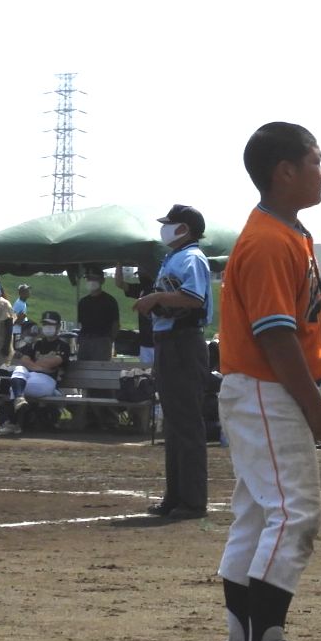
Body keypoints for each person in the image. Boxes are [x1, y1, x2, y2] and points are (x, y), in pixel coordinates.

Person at [214, 121, 321, 641]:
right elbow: (275, 335)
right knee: (293, 514)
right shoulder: (268, 240)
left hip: (261, 390)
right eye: (315, 161)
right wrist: (314, 407)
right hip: (268, 389)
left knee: (258, 515)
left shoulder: (287, 233)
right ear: (285, 172)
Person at [133, 204, 212, 520]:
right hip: (170, 341)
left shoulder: (191, 257)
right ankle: (175, 496)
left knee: (186, 422)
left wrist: (156, 298)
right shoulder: (176, 257)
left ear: (184, 228)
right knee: (175, 423)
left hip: (183, 341)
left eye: (171, 224)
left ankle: (192, 501)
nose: (165, 229)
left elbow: (194, 298)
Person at [0, 310, 69, 436]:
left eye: (51, 324)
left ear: (58, 326)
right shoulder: (37, 344)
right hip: (31, 376)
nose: (47, 327)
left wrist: (35, 365)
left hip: (47, 382)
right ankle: (18, 404)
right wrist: (39, 366)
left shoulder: (63, 346)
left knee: (13, 386)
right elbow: (24, 360)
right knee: (19, 369)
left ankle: (12, 422)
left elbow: (53, 362)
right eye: (45, 324)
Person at [116, 266, 158, 366]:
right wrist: (119, 263)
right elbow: (119, 283)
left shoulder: (161, 287)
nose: (140, 276)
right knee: (145, 372)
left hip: (160, 341)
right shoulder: (141, 289)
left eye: (141, 273)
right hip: (145, 342)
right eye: (139, 274)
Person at [76, 270, 120, 361]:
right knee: (82, 366)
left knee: (100, 367)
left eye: (94, 278)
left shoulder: (110, 301)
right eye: (89, 279)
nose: (91, 281)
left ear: (102, 280)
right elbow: (80, 323)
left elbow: (116, 324)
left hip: (102, 341)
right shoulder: (83, 302)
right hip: (85, 341)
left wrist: (109, 340)